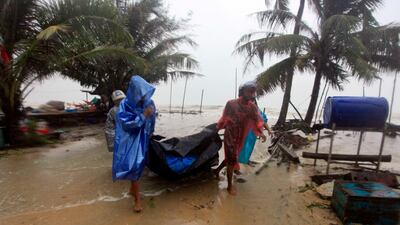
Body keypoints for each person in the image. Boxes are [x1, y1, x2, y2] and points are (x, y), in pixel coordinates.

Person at [214, 81, 266, 195]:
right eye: (249, 91)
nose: (252, 94)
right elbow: (224, 118)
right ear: (242, 92)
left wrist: (261, 132)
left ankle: (217, 171)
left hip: (241, 135)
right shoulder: (231, 104)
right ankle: (229, 186)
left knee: (232, 157)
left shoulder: (252, 107)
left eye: (253, 91)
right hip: (230, 134)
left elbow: (258, 120)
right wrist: (216, 129)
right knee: (232, 158)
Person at [113, 75, 156, 212]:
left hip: (143, 138)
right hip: (130, 139)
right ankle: (137, 200)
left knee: (139, 166)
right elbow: (126, 125)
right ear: (133, 91)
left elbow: (152, 119)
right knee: (134, 166)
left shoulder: (149, 102)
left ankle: (132, 188)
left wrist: (150, 132)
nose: (142, 95)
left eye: (143, 92)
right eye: (139, 92)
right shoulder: (125, 105)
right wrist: (143, 115)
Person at [238, 98, 273, 165]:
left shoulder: (258, 111)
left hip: (252, 134)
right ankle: (235, 168)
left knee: (249, 148)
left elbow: (263, 121)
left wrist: (269, 130)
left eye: (252, 101)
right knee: (240, 150)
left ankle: (246, 160)